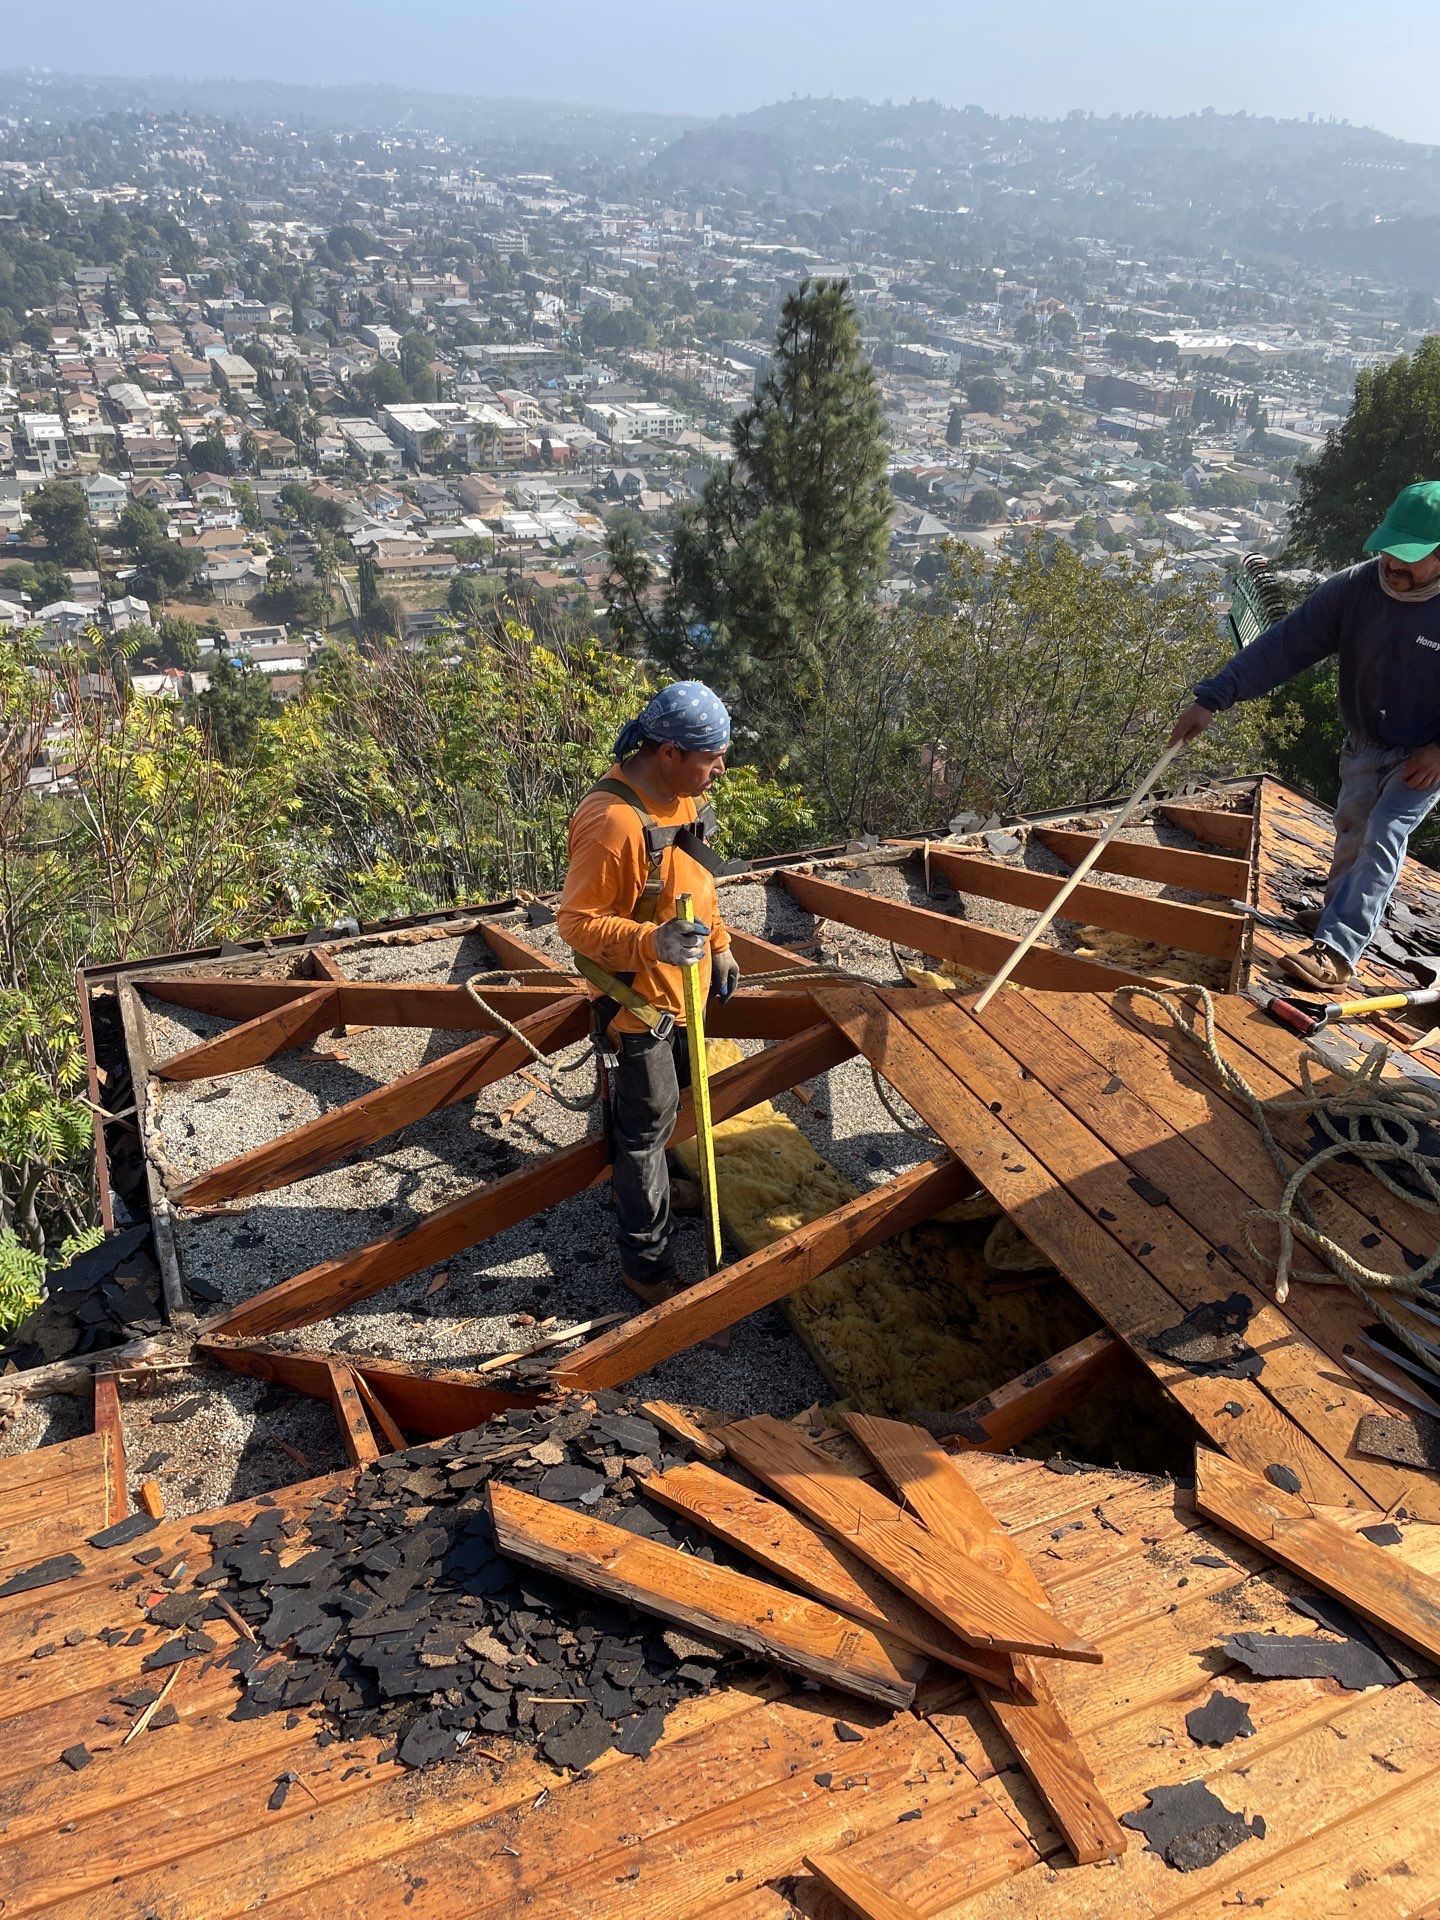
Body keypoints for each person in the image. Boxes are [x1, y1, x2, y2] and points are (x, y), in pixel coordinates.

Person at [1170, 481, 1440, 991]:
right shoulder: (1356, 589)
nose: (1392, 566)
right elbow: (1285, 644)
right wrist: (1213, 697)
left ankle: (1337, 950)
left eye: (1407, 557)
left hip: (1423, 755)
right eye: (1388, 551)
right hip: (1364, 740)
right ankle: (1338, 913)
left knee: (1384, 830)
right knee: (1353, 827)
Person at [557, 681, 739, 1304]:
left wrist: (720, 943)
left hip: (683, 991)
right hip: (639, 1009)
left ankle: (649, 1189)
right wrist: (651, 943)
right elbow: (576, 924)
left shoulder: (682, 796)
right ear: (667, 752)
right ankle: (647, 1267)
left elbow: (694, 883)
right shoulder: (612, 823)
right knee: (642, 1137)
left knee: (667, 1114)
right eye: (710, 758)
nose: (720, 770)